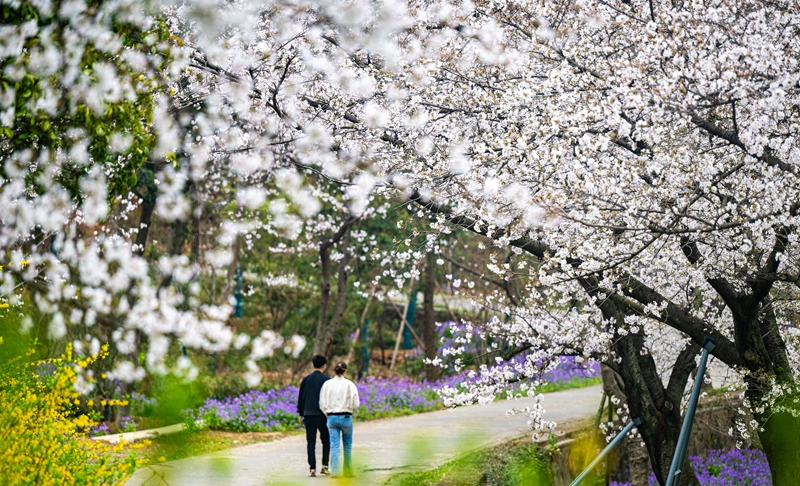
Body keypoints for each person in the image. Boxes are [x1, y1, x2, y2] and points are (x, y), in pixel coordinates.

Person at [319, 361, 360, 478]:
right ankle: (348, 471)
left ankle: (335, 471)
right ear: (345, 371)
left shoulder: (327, 384)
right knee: (347, 445)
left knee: (334, 445)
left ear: (334, 370)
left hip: (331, 417)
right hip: (346, 416)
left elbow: (322, 403)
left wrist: (328, 413)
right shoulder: (350, 384)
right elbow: (356, 403)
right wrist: (350, 409)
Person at [297, 354, 331, 477]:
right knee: (326, 440)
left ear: (312, 365)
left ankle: (312, 468)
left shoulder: (305, 380)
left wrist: (301, 413)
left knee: (310, 441)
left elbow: (301, 398)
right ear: (324, 366)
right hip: (323, 415)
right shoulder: (327, 380)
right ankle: (325, 465)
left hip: (309, 414)